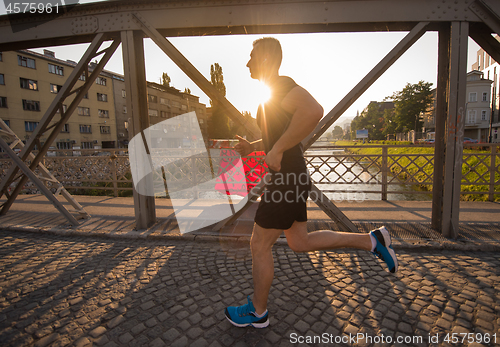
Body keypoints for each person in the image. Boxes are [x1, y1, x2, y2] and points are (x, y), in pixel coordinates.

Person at [225, 37, 398, 329]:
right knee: (299, 241)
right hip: (293, 178)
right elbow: (278, 138)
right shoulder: (273, 93)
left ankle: (258, 312)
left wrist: (277, 150)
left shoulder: (281, 87)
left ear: (266, 59)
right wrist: (255, 147)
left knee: (258, 245)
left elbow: (314, 111)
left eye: (252, 56)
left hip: (286, 182)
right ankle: (373, 241)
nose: (247, 62)